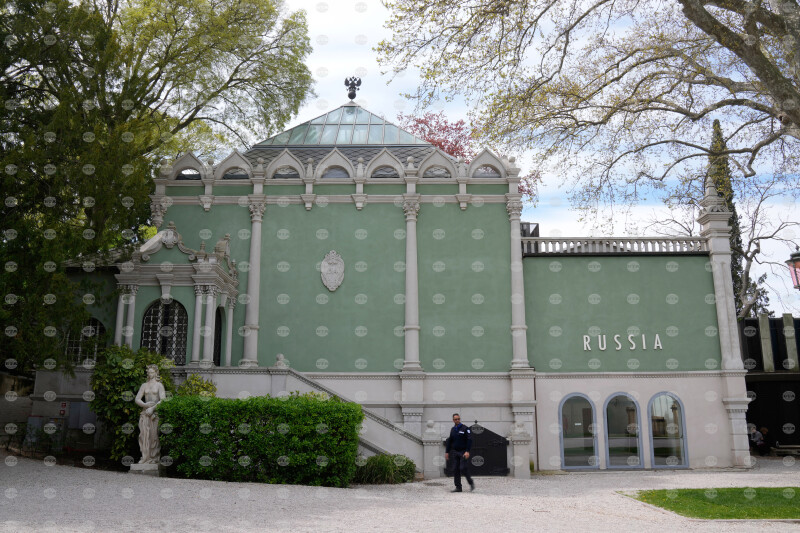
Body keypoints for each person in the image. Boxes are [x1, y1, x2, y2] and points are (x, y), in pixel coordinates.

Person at [134, 364, 166, 464]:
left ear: (156, 373)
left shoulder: (159, 385)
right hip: (145, 413)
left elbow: (163, 400)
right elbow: (137, 399)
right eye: (149, 372)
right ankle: (145, 457)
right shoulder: (144, 385)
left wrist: (152, 408)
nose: (150, 374)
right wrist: (145, 405)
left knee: (154, 436)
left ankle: (154, 457)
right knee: (143, 436)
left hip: (155, 414)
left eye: (152, 372)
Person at [445, 413, 474, 492]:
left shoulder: (465, 428)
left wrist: (467, 451)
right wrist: (447, 452)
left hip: (463, 452)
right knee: (455, 469)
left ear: (459, 419)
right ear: (453, 420)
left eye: (458, 419)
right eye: (455, 419)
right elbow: (450, 441)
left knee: (462, 468)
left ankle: (471, 482)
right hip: (455, 452)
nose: (457, 420)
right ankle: (458, 487)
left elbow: (469, 440)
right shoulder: (453, 429)